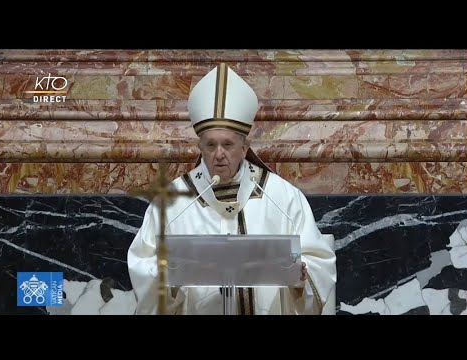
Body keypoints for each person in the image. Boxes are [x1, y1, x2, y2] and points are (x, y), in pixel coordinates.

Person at [127, 63, 337, 315]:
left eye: (227, 144)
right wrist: (165, 274)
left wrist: (302, 275)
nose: (219, 154)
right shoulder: (172, 202)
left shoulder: (282, 196)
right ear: (200, 147)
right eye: (210, 144)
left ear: (244, 147)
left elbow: (318, 263)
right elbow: (143, 265)